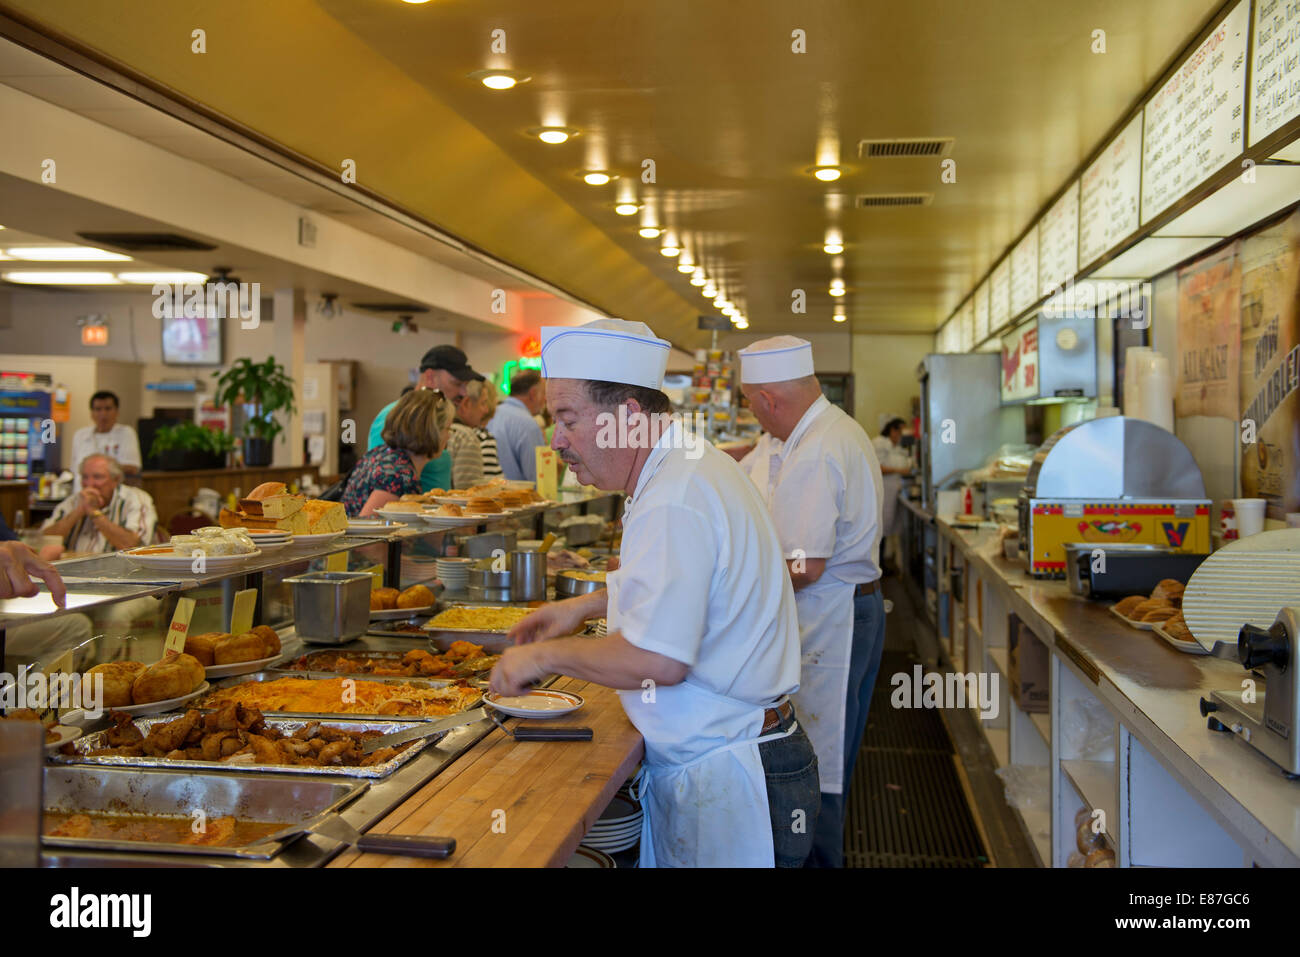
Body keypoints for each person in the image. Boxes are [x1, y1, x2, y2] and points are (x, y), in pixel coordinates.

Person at [491, 318, 819, 868]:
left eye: (568, 419)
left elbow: (660, 661)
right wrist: (588, 605)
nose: (557, 441)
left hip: (736, 784)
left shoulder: (675, 493)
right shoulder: (682, 466)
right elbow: (695, 585)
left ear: (628, 417)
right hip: (737, 761)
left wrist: (540, 656)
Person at [738, 335, 885, 869]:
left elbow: (805, 566)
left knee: (817, 763)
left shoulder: (816, 449)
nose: (752, 414)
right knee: (826, 755)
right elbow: (750, 458)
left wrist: (731, 586)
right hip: (846, 606)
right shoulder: (824, 428)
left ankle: (822, 861)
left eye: (750, 402)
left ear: (770, 400)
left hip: (832, 616)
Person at [367, 345, 482, 493]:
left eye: (465, 385)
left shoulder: (430, 417)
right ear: (430, 377)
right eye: (457, 383)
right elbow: (385, 482)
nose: (463, 392)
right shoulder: (398, 415)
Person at [344, 389, 452, 517]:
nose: (449, 436)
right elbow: (367, 528)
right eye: (448, 428)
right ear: (432, 431)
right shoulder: (399, 474)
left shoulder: (384, 454)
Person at [41, 454, 157, 556]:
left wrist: (93, 512)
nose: (89, 484)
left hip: (122, 574)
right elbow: (45, 540)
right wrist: (79, 510)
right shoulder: (73, 502)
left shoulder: (137, 499)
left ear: (116, 480)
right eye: (85, 477)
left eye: (97, 477)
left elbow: (133, 546)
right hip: (74, 572)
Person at [70, 391, 141, 491]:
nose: (103, 414)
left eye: (108, 409)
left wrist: (98, 469)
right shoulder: (80, 435)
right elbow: (74, 469)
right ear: (91, 413)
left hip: (112, 496)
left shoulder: (126, 433)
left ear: (117, 412)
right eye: (98, 409)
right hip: (82, 494)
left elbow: (132, 468)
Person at [487, 369, 546, 482]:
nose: (546, 399)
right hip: (520, 498)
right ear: (533, 394)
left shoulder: (490, 416)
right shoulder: (529, 425)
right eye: (544, 393)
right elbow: (538, 477)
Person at [873, 417, 913, 574]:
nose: (901, 435)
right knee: (880, 529)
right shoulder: (879, 443)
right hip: (883, 491)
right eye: (900, 431)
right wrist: (900, 471)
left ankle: (882, 564)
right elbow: (878, 467)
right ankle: (878, 565)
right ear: (892, 430)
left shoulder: (894, 447)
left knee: (886, 528)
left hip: (892, 492)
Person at [446, 380, 494, 489]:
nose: (486, 410)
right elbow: (468, 495)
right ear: (466, 403)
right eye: (483, 403)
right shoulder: (466, 437)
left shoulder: (440, 431)